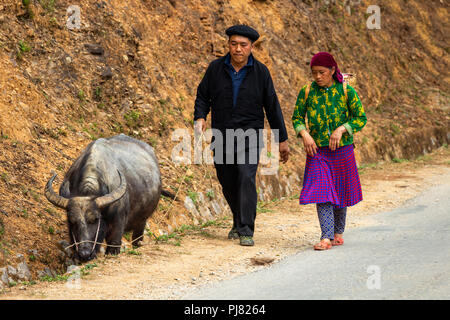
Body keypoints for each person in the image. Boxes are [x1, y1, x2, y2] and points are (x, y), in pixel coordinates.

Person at [194, 25, 290, 246]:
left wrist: (281, 140)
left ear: (251, 47)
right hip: (222, 134)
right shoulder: (215, 69)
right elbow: (202, 95)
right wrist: (200, 116)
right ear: (228, 45)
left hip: (250, 135)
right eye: (233, 44)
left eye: (243, 45)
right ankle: (237, 220)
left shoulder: (261, 72)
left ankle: (246, 229)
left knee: (246, 177)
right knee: (227, 180)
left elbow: (272, 107)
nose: (237, 49)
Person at [292, 52, 367, 250]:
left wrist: (342, 129)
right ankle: (326, 237)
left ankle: (337, 232)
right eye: (314, 73)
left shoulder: (346, 91)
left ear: (333, 70)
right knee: (322, 192)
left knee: (340, 192)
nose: (317, 76)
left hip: (342, 150)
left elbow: (360, 118)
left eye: (322, 72)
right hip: (317, 152)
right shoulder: (307, 91)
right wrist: (304, 134)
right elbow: (297, 118)